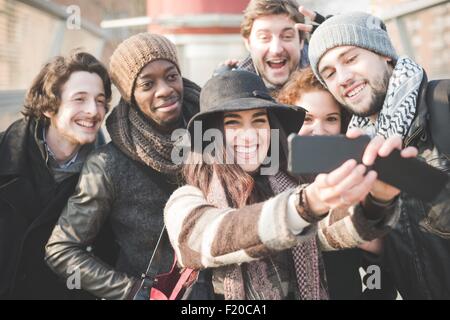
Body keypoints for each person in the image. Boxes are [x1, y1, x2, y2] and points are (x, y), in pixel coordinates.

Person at [164, 69, 417, 300]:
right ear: (211, 136)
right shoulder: (185, 199)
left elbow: (334, 228)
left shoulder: (291, 187)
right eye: (232, 123)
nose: (250, 134)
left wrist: (377, 198)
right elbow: (214, 237)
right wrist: (305, 205)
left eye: (259, 121)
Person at [45, 33, 200, 300]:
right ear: (130, 95)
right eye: (147, 83)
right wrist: (133, 291)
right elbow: (62, 250)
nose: (164, 90)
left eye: (171, 76)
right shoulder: (107, 165)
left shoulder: (213, 129)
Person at [308, 11, 450, 299]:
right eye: (330, 73)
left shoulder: (444, 102)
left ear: (385, 54)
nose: (343, 78)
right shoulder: (358, 148)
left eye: (350, 59)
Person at [0, 51, 111, 299]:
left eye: (100, 100)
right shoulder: (5, 155)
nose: (94, 111)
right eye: (80, 99)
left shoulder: (108, 174)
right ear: (50, 106)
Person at [278, 67, 396, 299]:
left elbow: (378, 277)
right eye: (307, 118)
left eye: (331, 119)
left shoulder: (360, 181)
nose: (319, 131)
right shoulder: (272, 181)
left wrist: (375, 254)